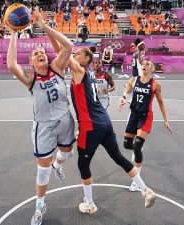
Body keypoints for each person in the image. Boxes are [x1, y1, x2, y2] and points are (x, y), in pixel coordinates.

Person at [63, 46, 157, 215]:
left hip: (90, 125)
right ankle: (145, 190)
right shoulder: (90, 72)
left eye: (77, 54)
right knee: (118, 157)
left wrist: (46, 29)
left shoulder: (79, 70)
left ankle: (90, 203)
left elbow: (64, 53)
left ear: (85, 60)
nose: (74, 55)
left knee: (83, 163)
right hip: (104, 121)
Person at [6, 8, 75, 225]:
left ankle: (59, 164)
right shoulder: (31, 78)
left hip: (65, 119)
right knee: (42, 171)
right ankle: (40, 205)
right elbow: (11, 65)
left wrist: (45, 28)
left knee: (67, 151)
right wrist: (14, 33)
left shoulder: (57, 68)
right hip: (44, 126)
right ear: (32, 63)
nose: (40, 53)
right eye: (35, 54)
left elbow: (69, 47)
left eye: (42, 51)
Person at [118, 59, 173, 192]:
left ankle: (137, 181)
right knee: (127, 145)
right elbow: (127, 91)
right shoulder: (133, 80)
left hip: (145, 117)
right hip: (133, 115)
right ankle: (138, 150)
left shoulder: (155, 84)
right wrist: (123, 98)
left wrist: (166, 120)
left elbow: (160, 102)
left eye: (148, 64)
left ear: (152, 69)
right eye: (143, 64)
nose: (144, 65)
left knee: (136, 146)